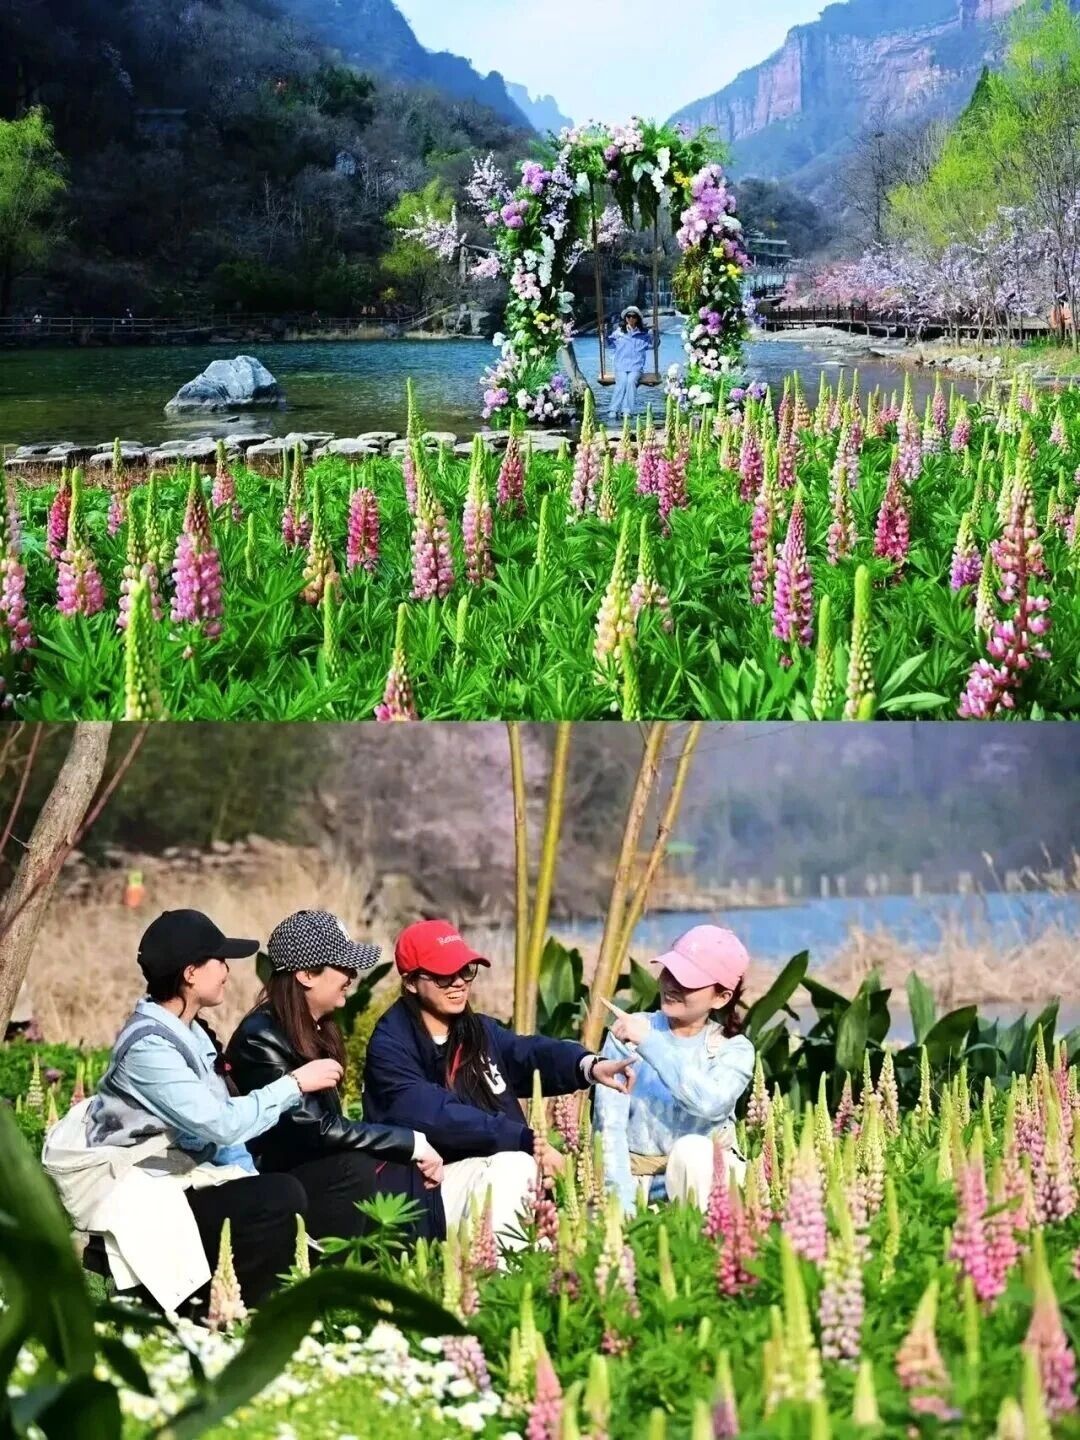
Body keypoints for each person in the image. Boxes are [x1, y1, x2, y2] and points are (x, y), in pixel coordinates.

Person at [79, 909, 340, 1311]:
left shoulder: (192, 1030)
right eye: (220, 961)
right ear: (190, 973)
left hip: (186, 1177)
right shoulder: (149, 1048)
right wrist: (294, 1084)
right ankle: (212, 1312)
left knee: (318, 1180)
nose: (227, 970)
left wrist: (250, 1171)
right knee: (278, 1195)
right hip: (147, 1196)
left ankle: (263, 1305)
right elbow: (220, 1124)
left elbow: (223, 1126)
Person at [363, 919, 636, 1250]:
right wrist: (526, 1140)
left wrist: (588, 1066)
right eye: (443, 975)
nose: (459, 983)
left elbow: (526, 1053)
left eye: (466, 971)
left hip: (487, 1177)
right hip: (421, 1192)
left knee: (541, 1219)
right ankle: (500, 1282)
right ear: (409, 982)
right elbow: (437, 1115)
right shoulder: (391, 1044)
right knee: (515, 1164)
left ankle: (535, 1283)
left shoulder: (476, 1030)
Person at [227, 910, 445, 1244]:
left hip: (310, 1169)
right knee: (357, 1167)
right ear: (307, 975)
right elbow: (314, 1127)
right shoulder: (261, 1037)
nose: (353, 975)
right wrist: (409, 1141)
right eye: (342, 966)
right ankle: (334, 1274)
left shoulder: (317, 1028)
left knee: (400, 1166)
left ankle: (417, 1269)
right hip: (275, 1179)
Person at [594, 925, 754, 1214]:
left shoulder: (733, 1049)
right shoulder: (627, 1033)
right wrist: (623, 1207)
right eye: (669, 972)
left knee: (692, 1152)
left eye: (688, 980)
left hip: (707, 1190)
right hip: (637, 1187)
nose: (671, 985)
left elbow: (710, 1104)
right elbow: (609, 1127)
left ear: (722, 997)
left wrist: (649, 1042)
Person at [608, 305, 651, 421]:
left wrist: (656, 335)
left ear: (637, 319)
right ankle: (614, 409)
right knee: (622, 382)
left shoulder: (644, 335)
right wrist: (603, 336)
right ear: (625, 318)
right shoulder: (618, 333)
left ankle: (627, 410)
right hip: (621, 366)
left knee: (631, 382)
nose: (631, 319)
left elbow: (654, 345)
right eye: (628, 316)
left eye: (633, 316)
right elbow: (609, 345)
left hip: (636, 367)